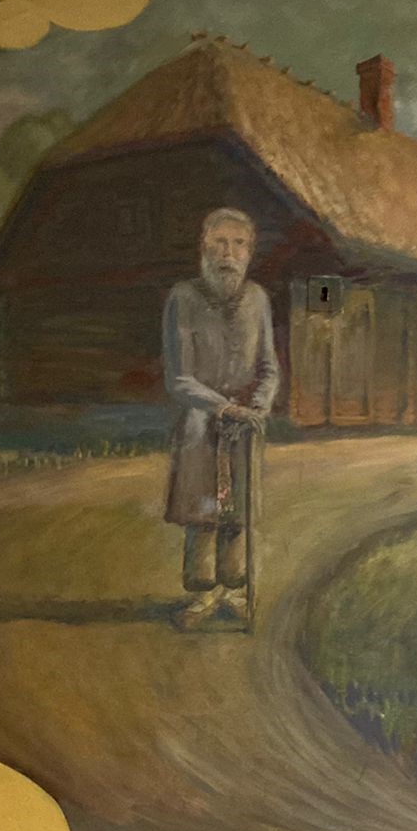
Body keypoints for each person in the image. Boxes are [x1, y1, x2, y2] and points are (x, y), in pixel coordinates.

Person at [163, 207, 280, 627]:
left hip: (246, 426)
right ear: (204, 247)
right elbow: (179, 378)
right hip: (202, 423)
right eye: (220, 243)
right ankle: (202, 593)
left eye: (238, 244)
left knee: (238, 512)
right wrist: (222, 408)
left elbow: (269, 367)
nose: (229, 253)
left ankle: (233, 589)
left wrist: (259, 407)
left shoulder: (259, 300)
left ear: (250, 251)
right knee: (203, 510)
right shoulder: (183, 298)